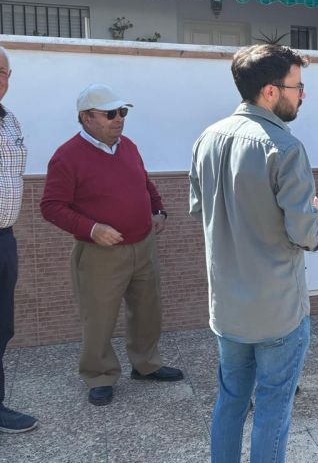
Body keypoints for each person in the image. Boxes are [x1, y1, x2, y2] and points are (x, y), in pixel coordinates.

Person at [189, 44, 318, 463]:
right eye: (297, 86)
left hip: (227, 306)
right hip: (277, 309)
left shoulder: (206, 138)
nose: (302, 95)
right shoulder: (285, 147)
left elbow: (201, 210)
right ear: (271, 91)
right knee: (273, 408)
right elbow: (305, 232)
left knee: (230, 401)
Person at [40, 84, 184, 407]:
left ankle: (146, 364)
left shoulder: (128, 146)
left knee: (148, 310)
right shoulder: (66, 156)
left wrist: (158, 209)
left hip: (143, 245)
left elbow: (143, 181)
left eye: (123, 112)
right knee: (99, 318)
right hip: (100, 254)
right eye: (110, 114)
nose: (119, 119)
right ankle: (99, 375)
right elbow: (50, 206)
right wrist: (91, 229)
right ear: (86, 118)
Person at [0, 46, 37, 433]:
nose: (1, 78)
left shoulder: (9, 120)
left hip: (4, 238)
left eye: (5, 72)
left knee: (2, 328)